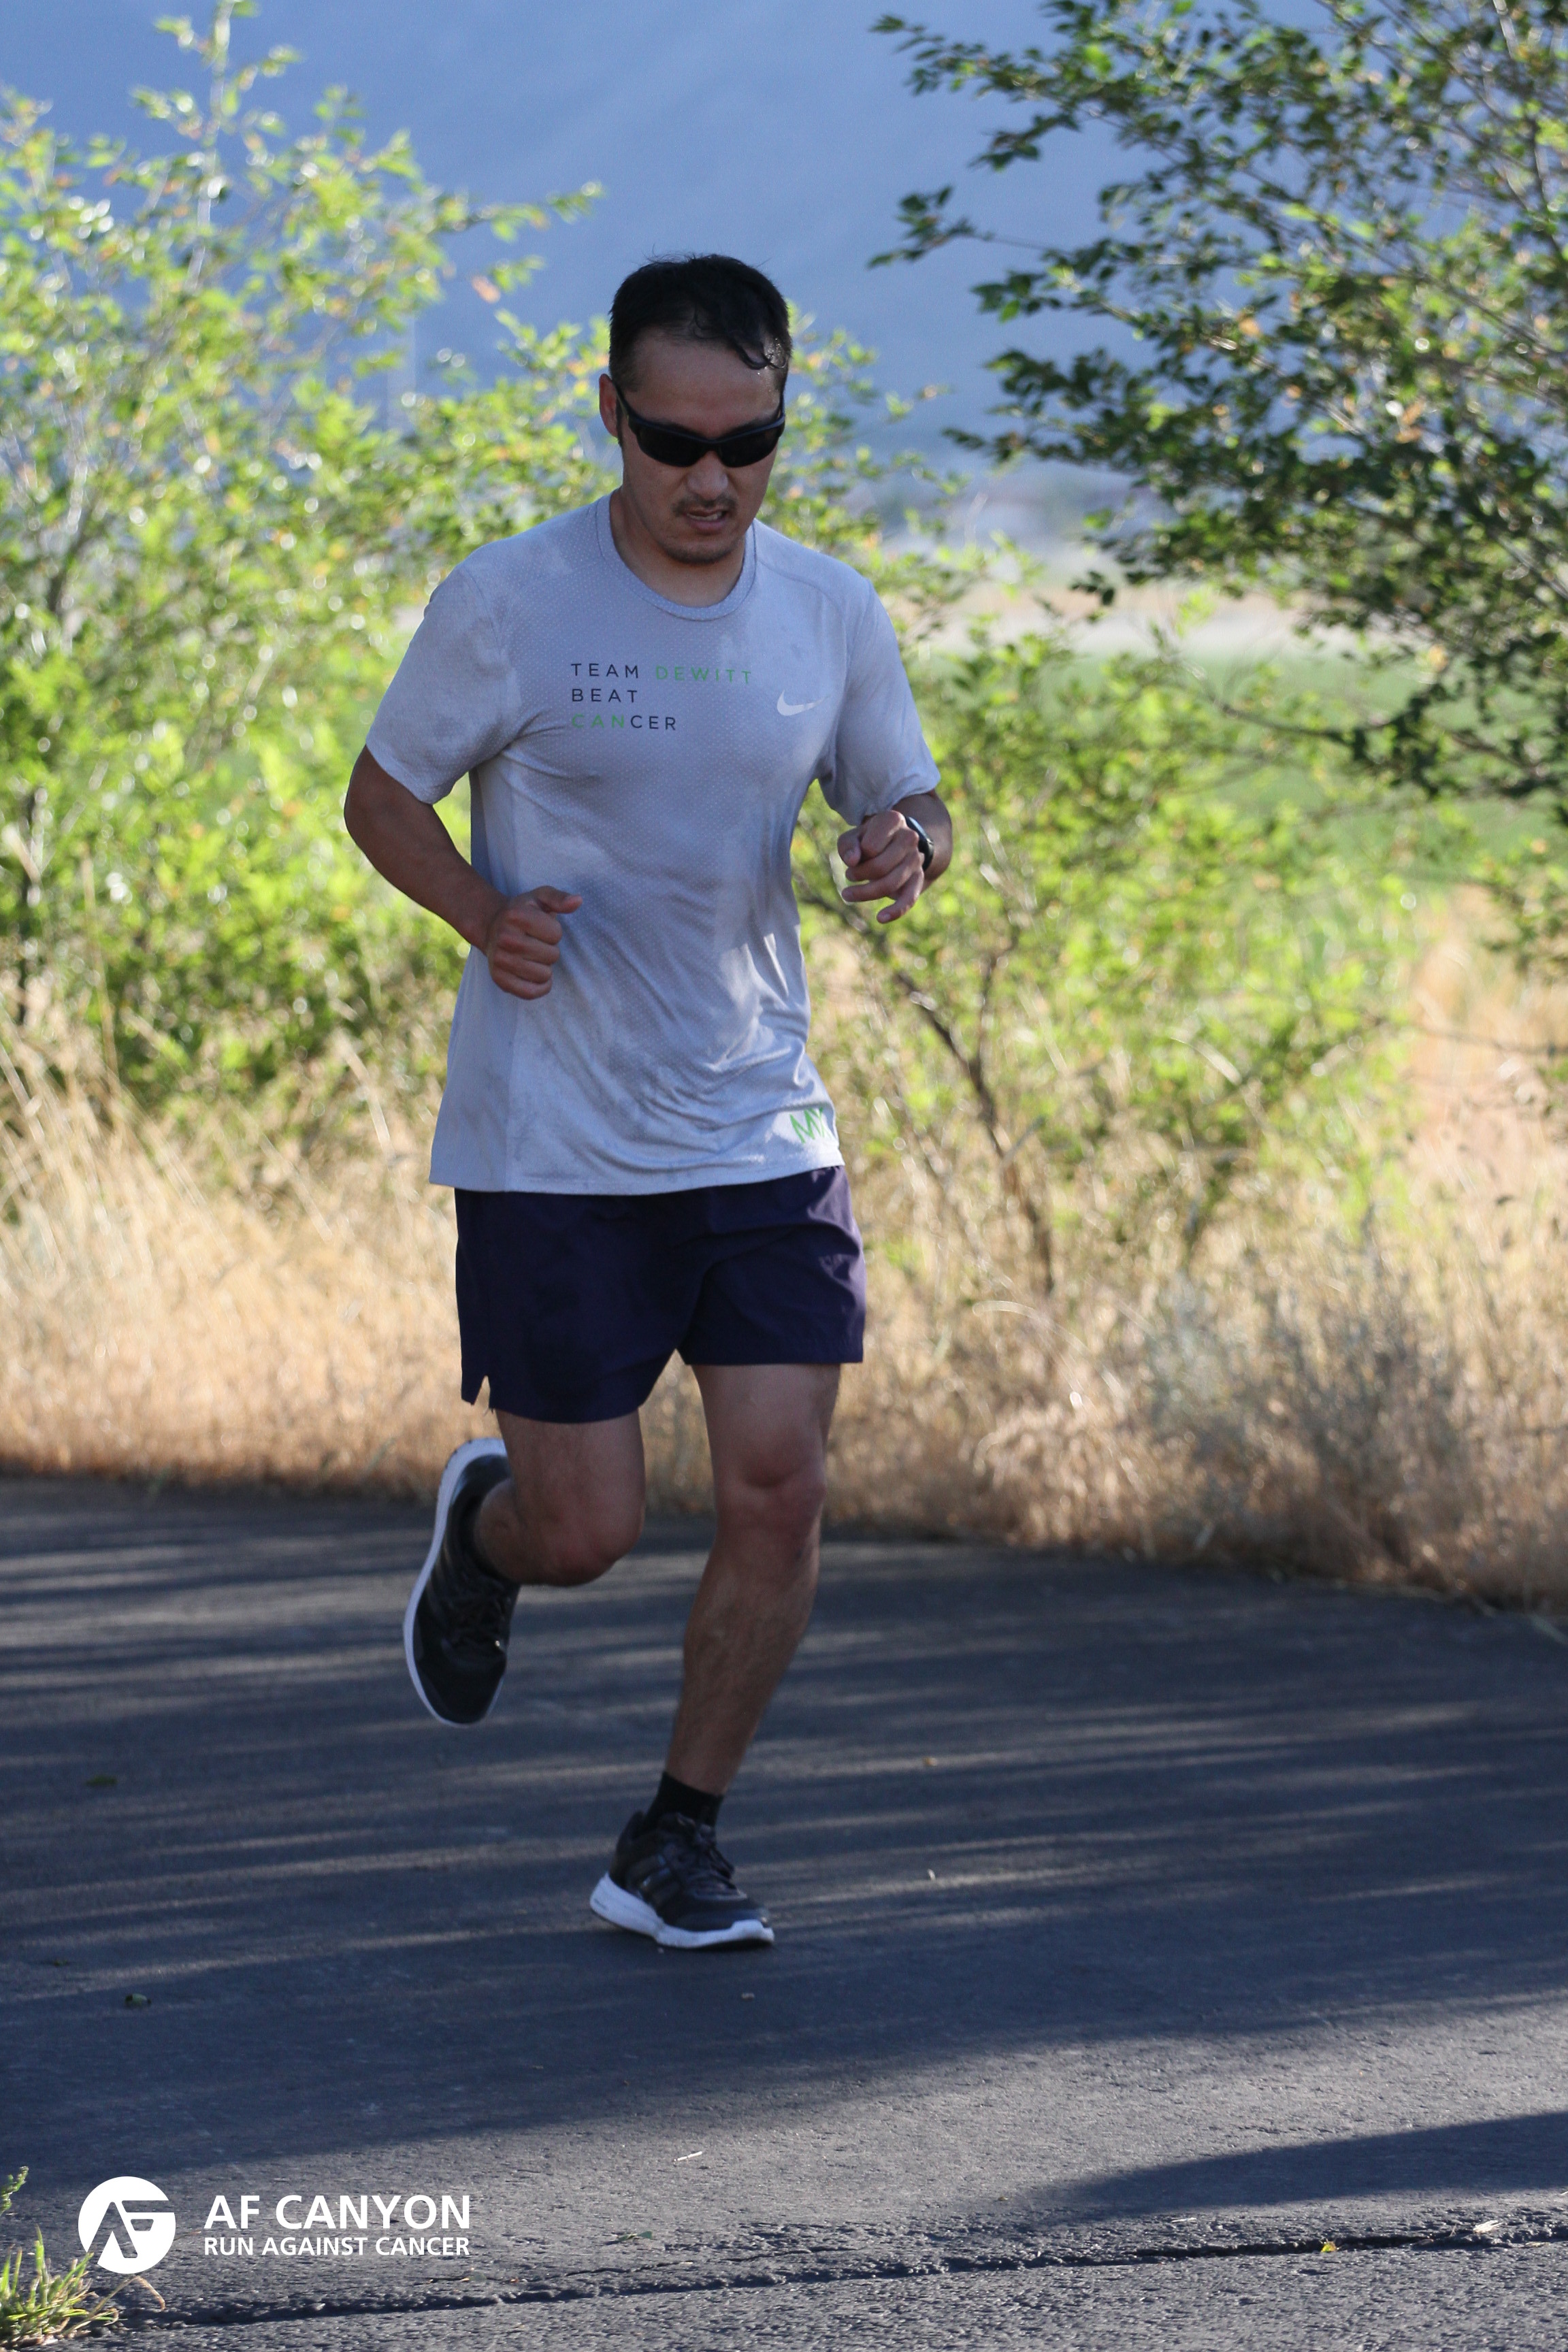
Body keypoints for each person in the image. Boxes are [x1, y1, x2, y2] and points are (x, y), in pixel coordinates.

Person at [344, 252, 952, 1951]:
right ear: (610, 413)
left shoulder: (826, 611)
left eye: (747, 444)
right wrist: (484, 915)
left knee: (780, 1488)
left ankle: (676, 1838)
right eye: (674, 441)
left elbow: (909, 795)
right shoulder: (511, 602)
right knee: (590, 1529)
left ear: (780, 425)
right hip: (556, 1141)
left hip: (759, 1124)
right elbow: (380, 796)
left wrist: (906, 843)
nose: (710, 480)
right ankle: (493, 1532)